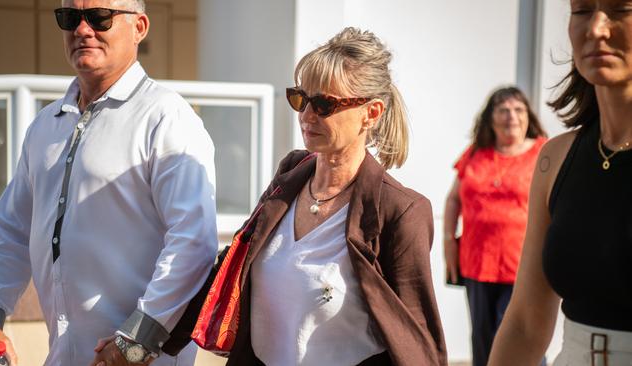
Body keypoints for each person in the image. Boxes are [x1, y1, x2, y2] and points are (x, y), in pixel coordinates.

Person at [0, 0, 218, 365]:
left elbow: (193, 242)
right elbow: (12, 231)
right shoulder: (46, 125)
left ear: (139, 27)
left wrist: (136, 341)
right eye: (69, 17)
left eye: (99, 17)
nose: (81, 29)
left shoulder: (166, 118)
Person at [223, 27, 446, 366]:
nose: (306, 115)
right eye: (301, 98)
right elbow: (227, 268)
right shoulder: (291, 175)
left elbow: (417, 340)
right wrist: (140, 340)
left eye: (324, 104)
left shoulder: (400, 211)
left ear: (371, 113)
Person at [488, 2, 632, 366]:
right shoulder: (556, 158)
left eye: (622, 8)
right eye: (582, 9)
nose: (597, 28)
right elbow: (524, 324)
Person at [443, 87, 547, 366]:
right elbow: (453, 199)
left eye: (518, 110)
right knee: (483, 341)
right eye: (503, 110)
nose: (511, 116)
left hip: (523, 266)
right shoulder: (476, 153)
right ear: (491, 119)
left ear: (528, 117)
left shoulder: (543, 153)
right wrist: (448, 241)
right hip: (477, 264)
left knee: (520, 341)